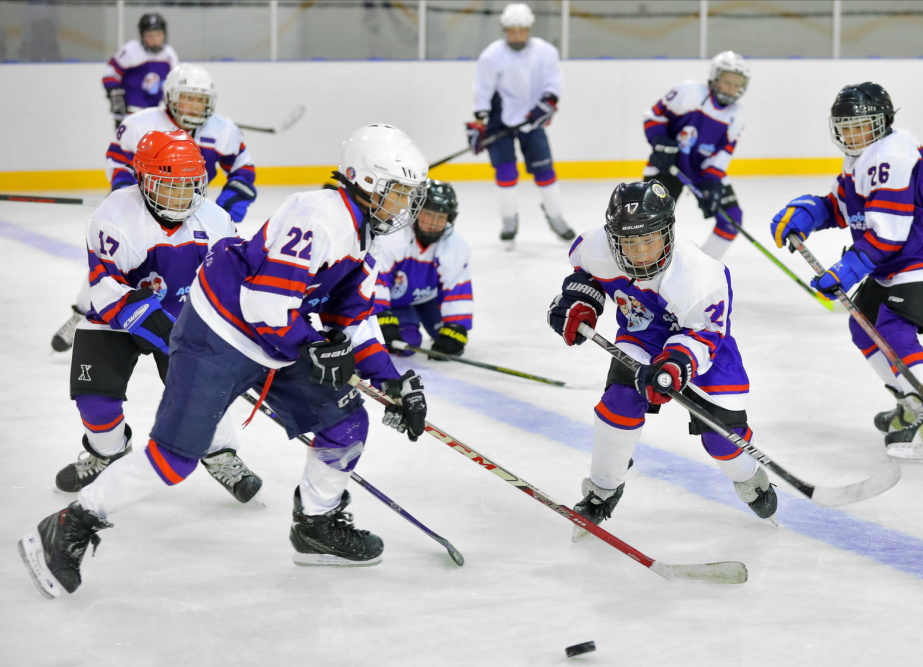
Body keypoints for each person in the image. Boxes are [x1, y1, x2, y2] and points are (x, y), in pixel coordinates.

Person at [19, 123, 431, 599]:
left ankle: (316, 525)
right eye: (398, 192)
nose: (405, 205)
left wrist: (392, 381)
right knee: (174, 460)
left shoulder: (368, 236)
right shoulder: (318, 218)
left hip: (272, 338)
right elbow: (264, 304)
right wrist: (315, 348)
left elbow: (353, 315)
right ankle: (71, 522)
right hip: (217, 331)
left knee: (346, 423)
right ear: (365, 181)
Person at [546, 180, 777, 538]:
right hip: (640, 338)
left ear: (668, 231)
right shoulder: (597, 247)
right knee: (617, 405)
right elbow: (585, 275)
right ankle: (602, 490)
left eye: (649, 240)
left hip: (700, 350)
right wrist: (581, 302)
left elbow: (705, 336)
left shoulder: (701, 276)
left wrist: (673, 367)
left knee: (722, 440)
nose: (639, 252)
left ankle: (751, 481)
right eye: (629, 242)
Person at [54, 129, 262, 503]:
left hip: (186, 317)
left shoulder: (214, 221)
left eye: (191, 185)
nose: (184, 195)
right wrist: (143, 316)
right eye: (171, 185)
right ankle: (108, 452)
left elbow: (229, 285)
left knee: (202, 393)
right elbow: (104, 288)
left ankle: (220, 455)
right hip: (115, 317)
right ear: (144, 180)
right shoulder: (116, 216)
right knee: (94, 400)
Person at [770, 82, 923, 462]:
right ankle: (911, 402)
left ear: (885, 122)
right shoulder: (864, 155)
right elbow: (843, 207)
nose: (853, 134)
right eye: (845, 126)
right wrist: (810, 212)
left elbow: (888, 234)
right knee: (864, 326)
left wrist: (847, 269)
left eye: (863, 125)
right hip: (903, 262)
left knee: (892, 329)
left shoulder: (890, 155)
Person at [51, 62, 257, 353]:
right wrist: (136, 200)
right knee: (113, 265)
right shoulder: (140, 124)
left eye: (200, 100)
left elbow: (244, 173)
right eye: (187, 97)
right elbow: (117, 159)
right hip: (148, 206)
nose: (194, 106)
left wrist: (223, 211)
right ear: (171, 96)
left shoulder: (224, 130)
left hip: (191, 209)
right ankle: (82, 312)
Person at [466, 2, 575, 247]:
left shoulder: (545, 52)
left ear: (529, 28)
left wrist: (547, 104)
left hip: (531, 120)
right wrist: (479, 121)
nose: (516, 35)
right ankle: (509, 220)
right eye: (511, 30)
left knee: (545, 173)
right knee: (506, 173)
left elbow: (554, 83)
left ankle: (556, 218)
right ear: (505, 29)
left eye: (521, 30)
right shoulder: (492, 55)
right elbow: (482, 90)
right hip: (499, 122)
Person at [642, 51, 750, 260]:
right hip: (667, 164)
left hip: (701, 171)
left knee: (732, 219)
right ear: (715, 78)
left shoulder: (737, 115)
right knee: (650, 222)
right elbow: (654, 116)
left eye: (737, 84)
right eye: (727, 81)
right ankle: (647, 270)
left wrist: (712, 182)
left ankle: (702, 268)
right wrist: (661, 142)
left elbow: (723, 153)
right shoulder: (689, 92)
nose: (732, 88)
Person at [375, 179, 473, 358]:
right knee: (406, 343)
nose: (434, 223)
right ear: (416, 211)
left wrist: (457, 326)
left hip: (428, 299)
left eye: (441, 217)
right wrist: (380, 317)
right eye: (428, 214)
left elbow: (457, 288)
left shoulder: (455, 247)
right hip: (394, 302)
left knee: (448, 338)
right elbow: (376, 280)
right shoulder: (392, 237)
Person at [102, 13, 179, 129]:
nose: (155, 40)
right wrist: (116, 96)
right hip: (131, 112)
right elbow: (110, 72)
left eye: (158, 34)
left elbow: (174, 82)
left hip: (156, 113)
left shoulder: (169, 54)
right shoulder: (131, 50)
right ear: (142, 36)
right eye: (150, 36)